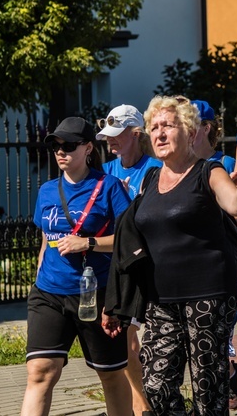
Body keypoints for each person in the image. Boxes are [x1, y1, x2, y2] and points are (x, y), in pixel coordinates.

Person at [125, 95, 237, 415]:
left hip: (207, 297)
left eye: (167, 125)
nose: (158, 133)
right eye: (153, 127)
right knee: (155, 383)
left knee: (208, 388)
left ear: (190, 131)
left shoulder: (207, 172)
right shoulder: (152, 178)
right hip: (161, 298)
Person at [21, 117, 132, 416]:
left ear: (88, 149)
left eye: (69, 146)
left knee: (110, 375)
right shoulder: (46, 191)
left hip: (96, 295)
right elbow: (47, 240)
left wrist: (89, 244)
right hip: (49, 294)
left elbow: (129, 240)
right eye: (56, 146)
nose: (61, 152)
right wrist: (38, 279)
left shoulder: (108, 187)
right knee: (41, 371)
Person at [97, 103, 162, 415]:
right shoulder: (106, 173)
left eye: (116, 134)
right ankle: (142, 406)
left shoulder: (155, 168)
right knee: (127, 342)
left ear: (137, 134)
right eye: (107, 135)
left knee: (155, 343)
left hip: (153, 265)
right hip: (120, 269)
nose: (110, 141)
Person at [190, 99, 237, 410]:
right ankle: (230, 375)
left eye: (191, 123)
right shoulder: (174, 167)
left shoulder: (224, 165)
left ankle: (222, 389)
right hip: (189, 269)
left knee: (215, 342)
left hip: (221, 267)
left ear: (207, 127)